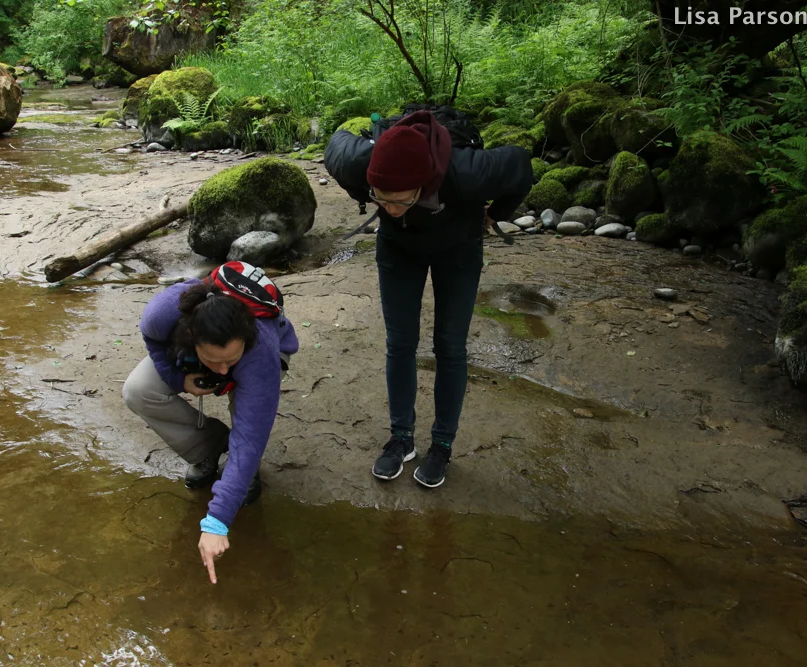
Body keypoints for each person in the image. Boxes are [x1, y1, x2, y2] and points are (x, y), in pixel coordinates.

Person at [324, 109, 532, 488]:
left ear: (423, 185)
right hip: (397, 248)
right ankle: (401, 438)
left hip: (459, 245)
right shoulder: (360, 162)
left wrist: (495, 213)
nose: (387, 206)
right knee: (399, 342)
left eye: (399, 200)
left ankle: (442, 445)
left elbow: (521, 164)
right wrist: (363, 195)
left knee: (449, 346)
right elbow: (333, 146)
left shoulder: (467, 172)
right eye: (380, 198)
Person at [122, 264, 298, 583]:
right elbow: (152, 337)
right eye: (212, 359)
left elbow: (250, 436)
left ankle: (240, 471)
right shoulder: (164, 313)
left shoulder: (260, 355)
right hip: (199, 346)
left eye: (229, 360)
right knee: (137, 389)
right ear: (190, 337)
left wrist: (216, 522)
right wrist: (178, 376)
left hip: (263, 357)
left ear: (244, 341)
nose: (220, 370)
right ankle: (210, 447)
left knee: (246, 438)